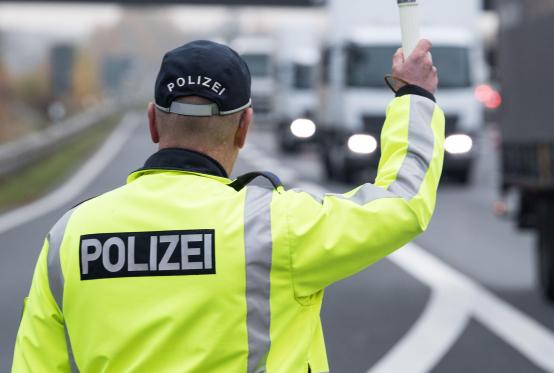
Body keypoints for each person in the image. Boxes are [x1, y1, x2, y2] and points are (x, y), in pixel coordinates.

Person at [12, 39, 444, 373]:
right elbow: (401, 202)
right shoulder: (274, 227)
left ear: (151, 121)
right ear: (244, 128)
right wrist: (415, 99)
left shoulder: (70, 237)